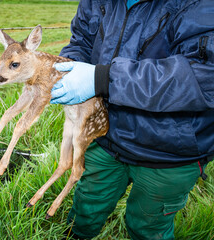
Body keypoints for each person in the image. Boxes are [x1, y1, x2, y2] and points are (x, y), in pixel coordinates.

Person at [50, 0, 214, 239]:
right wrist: (68, 67)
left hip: (169, 152)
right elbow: (82, 41)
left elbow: (205, 76)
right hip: (104, 134)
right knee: (87, 203)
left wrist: (105, 79)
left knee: (148, 225)